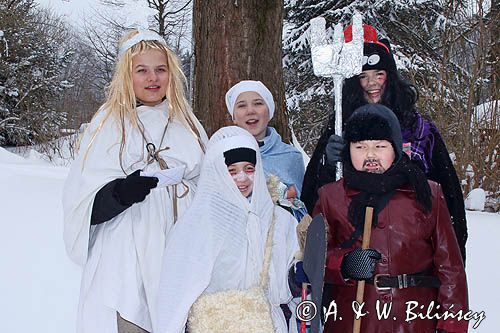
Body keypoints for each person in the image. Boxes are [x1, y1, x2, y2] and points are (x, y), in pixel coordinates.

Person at [62, 28, 207, 333]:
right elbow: (84, 202)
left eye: (160, 69)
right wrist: (122, 193)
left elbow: (209, 184)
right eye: (142, 70)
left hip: (180, 245)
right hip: (127, 251)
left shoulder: (187, 122)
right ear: (127, 76)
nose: (152, 78)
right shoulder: (109, 123)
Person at [301, 24, 468, 263]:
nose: (372, 83)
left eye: (379, 74)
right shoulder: (340, 125)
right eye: (363, 77)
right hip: (354, 257)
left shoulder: (419, 130)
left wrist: (455, 257)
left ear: (390, 77)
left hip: (411, 256)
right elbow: (315, 202)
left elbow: (449, 198)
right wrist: (328, 164)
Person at [313, 104, 468, 333]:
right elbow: (314, 261)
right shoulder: (331, 197)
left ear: (396, 148)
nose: (370, 155)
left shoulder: (428, 194)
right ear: (348, 150)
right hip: (354, 319)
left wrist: (452, 325)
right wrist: (343, 264)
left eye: (380, 146)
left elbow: (450, 267)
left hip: (415, 319)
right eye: (360, 146)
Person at [155, 126, 299, 333]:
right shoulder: (196, 226)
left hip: (269, 324)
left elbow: (292, 285)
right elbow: (174, 297)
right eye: (231, 171)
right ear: (216, 173)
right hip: (215, 324)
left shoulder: (281, 220)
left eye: (249, 169)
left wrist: (295, 276)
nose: (242, 178)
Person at [225, 80, 305, 202]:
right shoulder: (220, 156)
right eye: (242, 105)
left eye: (258, 103)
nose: (250, 111)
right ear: (234, 117)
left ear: (269, 112)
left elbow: (299, 205)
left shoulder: (290, 157)